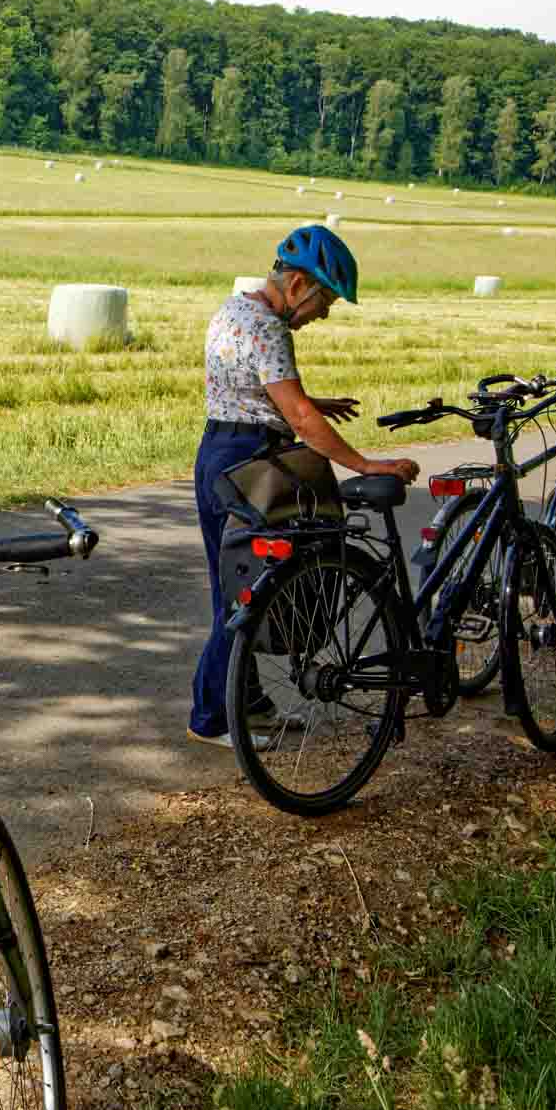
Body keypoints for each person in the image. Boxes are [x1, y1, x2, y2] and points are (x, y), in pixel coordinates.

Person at [187, 224, 418, 747]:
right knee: (244, 599)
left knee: (231, 587)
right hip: (250, 464)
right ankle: (210, 719)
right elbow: (298, 417)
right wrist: (364, 464)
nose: (325, 314)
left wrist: (312, 404)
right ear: (297, 287)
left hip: (216, 454)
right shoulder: (271, 329)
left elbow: (250, 387)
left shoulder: (234, 310)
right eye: (326, 300)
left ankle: (247, 702)